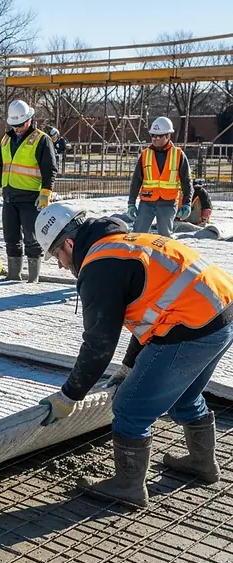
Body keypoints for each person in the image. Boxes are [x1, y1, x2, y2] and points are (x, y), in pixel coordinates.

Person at [36, 202, 233, 508]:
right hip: (220, 314)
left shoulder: (100, 265)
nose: (61, 265)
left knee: (129, 405)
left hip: (192, 326)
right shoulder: (123, 244)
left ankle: (128, 485)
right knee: (184, 395)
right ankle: (202, 464)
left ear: (70, 244)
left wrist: (68, 396)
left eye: (57, 255)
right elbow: (149, 319)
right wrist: (129, 366)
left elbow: (99, 343)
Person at [0, 100, 58, 283]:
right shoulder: (6, 139)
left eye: (20, 125)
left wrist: (46, 193)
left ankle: (33, 278)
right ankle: (13, 275)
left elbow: (50, 169)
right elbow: (0, 167)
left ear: (29, 119)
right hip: (10, 197)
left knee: (31, 239)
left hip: (31, 198)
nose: (17, 129)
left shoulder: (42, 140)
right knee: (11, 237)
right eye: (14, 125)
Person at [127, 117, 192, 238]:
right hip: (147, 202)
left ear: (168, 136)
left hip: (168, 202)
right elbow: (136, 180)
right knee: (137, 234)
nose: (155, 139)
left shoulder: (178, 155)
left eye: (159, 136)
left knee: (164, 236)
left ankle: (163, 257)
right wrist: (131, 203)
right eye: (153, 135)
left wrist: (187, 204)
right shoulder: (146, 154)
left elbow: (186, 181)